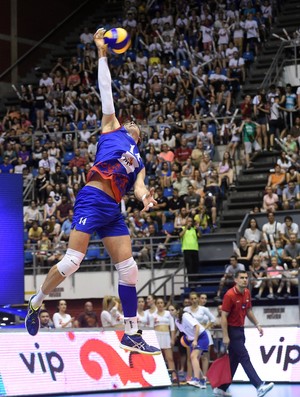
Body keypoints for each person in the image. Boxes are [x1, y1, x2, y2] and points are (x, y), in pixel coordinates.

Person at [25, 28, 160, 356]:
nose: (131, 123)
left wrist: (145, 198)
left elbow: (139, 185)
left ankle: (131, 332)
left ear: (140, 137)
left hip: (113, 208)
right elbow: (106, 92)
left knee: (130, 270)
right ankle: (37, 300)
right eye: (129, 121)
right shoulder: (112, 128)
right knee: (72, 262)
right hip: (93, 196)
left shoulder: (138, 159)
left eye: (135, 125)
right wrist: (102, 53)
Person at [215, 271, 274, 397]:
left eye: (246, 278)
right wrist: (225, 336)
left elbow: (248, 311)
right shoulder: (229, 295)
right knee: (244, 357)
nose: (244, 280)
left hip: (241, 330)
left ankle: (221, 388)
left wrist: (257, 324)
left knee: (234, 361)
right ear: (236, 280)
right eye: (241, 278)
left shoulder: (247, 292)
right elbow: (223, 317)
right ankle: (259, 386)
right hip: (232, 331)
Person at [169, 303, 209, 389]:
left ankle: (196, 379)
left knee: (193, 357)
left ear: (178, 310)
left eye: (172, 310)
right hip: (193, 339)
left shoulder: (185, 316)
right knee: (195, 359)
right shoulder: (177, 321)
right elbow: (186, 332)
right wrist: (188, 339)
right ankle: (202, 381)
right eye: (169, 310)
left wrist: (195, 340)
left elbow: (197, 327)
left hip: (201, 336)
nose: (170, 312)